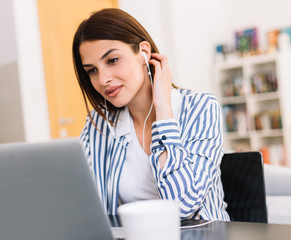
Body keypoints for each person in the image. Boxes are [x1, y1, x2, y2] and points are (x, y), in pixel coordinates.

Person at [73, 8, 229, 221]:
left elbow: (182, 207)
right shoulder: (98, 125)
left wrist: (163, 110)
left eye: (112, 60)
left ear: (144, 53)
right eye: (92, 70)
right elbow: (86, 205)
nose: (103, 80)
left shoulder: (200, 107)